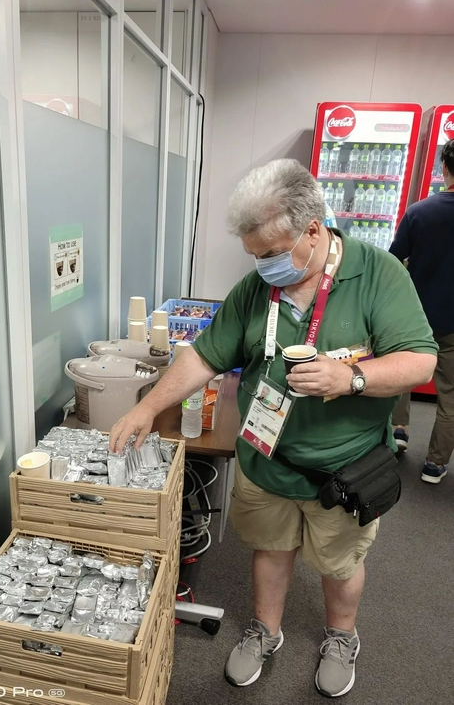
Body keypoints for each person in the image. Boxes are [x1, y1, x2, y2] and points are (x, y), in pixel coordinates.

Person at [110, 159, 436, 698]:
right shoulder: (256, 288)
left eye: (272, 253)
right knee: (269, 548)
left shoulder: (378, 274)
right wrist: (150, 407)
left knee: (340, 562)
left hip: (345, 467)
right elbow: (205, 356)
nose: (263, 266)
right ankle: (265, 630)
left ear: (314, 231)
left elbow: (420, 361)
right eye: (255, 255)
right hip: (267, 458)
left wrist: (350, 377)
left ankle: (341, 636)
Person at [389, 138, 454, 484]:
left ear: (444, 168)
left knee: (403, 371)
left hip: (415, 316)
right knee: (450, 398)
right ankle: (434, 464)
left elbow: (392, 260)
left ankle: (398, 429)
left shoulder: (419, 211)